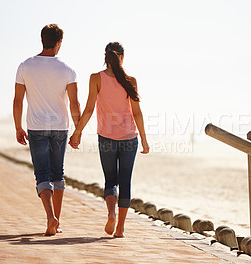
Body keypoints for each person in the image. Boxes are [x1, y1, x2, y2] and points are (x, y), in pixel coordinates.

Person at [69, 42, 149, 238]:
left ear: (105, 56)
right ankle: (120, 228)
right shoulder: (131, 80)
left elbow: (88, 110)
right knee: (125, 181)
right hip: (130, 138)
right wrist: (145, 141)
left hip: (106, 137)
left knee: (110, 180)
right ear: (122, 57)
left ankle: (111, 213)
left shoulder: (96, 78)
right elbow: (137, 113)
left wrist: (77, 132)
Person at [13, 24, 81, 236]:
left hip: (35, 127)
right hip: (60, 127)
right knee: (57, 173)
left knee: (42, 174)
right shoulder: (68, 70)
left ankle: (50, 218)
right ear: (59, 42)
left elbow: (18, 101)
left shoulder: (25, 66)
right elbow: (75, 104)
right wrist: (77, 131)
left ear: (42, 40)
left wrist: (18, 127)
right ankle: (57, 222)